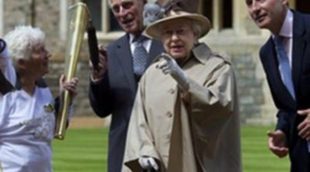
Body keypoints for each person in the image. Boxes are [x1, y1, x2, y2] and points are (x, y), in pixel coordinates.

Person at [122, 9, 241, 172]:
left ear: (195, 34)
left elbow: (220, 108)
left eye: (181, 31)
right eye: (168, 33)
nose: (174, 38)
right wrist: (144, 151)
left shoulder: (218, 68)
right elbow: (139, 119)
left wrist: (185, 82)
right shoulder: (151, 73)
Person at [88, 0, 164, 171]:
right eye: (116, 9)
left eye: (127, 5)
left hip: (164, 151)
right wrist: (98, 78)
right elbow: (102, 109)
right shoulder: (111, 52)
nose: (122, 13)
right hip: (123, 154)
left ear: (144, 3)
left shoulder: (169, 45)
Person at [0, 26, 79, 172]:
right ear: (22, 62)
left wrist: (66, 100)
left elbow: (52, 130)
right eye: (40, 51)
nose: (48, 55)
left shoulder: (43, 89)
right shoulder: (6, 92)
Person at [245, 0, 310, 171]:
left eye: (260, 0)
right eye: (249, 3)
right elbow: (287, 107)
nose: (255, 9)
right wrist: (282, 130)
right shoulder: (267, 53)